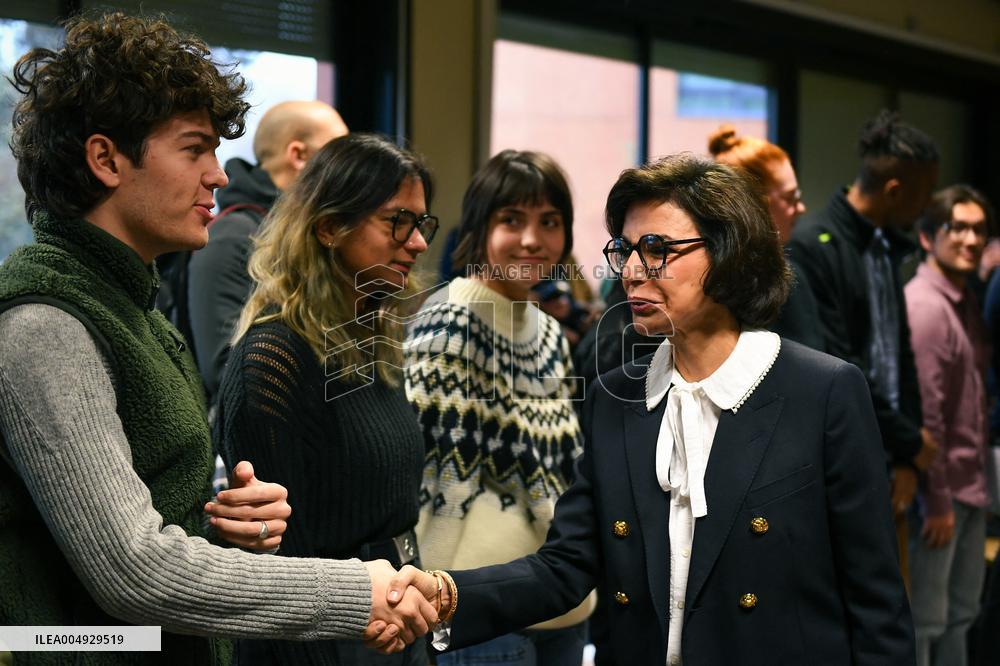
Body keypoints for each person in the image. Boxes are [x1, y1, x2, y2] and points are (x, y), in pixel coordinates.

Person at [0, 12, 432, 664]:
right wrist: (351, 590)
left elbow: (137, 530)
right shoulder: (45, 329)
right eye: (193, 148)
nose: (219, 174)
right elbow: (132, 573)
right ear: (105, 159)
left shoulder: (137, 318)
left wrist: (222, 523)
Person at [388, 154, 914, 665]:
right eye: (627, 249)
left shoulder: (821, 392)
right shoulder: (615, 398)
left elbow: (876, 602)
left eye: (658, 248)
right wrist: (445, 592)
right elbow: (568, 564)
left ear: (727, 252)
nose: (633, 272)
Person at [215, 132, 438, 665]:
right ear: (330, 227)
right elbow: (276, 566)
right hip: (329, 638)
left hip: (393, 619)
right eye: (397, 222)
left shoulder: (369, 341)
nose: (418, 242)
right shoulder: (275, 357)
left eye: (421, 223)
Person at [403, 149, 592, 665]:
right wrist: (434, 599)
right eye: (513, 220)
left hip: (560, 597)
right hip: (478, 609)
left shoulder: (550, 331)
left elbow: (566, 468)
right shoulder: (448, 321)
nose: (532, 239)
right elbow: (434, 476)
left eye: (549, 222)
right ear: (481, 227)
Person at [788, 110, 940, 569]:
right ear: (895, 191)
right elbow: (837, 360)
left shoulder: (885, 243)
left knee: (893, 606)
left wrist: (909, 454)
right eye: (925, 192)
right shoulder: (813, 244)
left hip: (888, 452)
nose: (928, 203)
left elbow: (900, 351)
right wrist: (908, 440)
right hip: (837, 451)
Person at [188, 100, 348, 404]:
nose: (349, 168)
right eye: (338, 153)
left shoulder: (312, 235)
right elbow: (224, 370)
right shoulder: (231, 237)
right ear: (298, 155)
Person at [905, 185, 993, 666]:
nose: (970, 238)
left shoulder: (963, 302)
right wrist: (935, 500)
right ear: (928, 237)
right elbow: (927, 417)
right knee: (926, 624)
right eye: (957, 227)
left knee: (960, 617)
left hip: (969, 488)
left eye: (979, 229)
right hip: (940, 497)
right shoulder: (926, 306)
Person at [708, 125, 822, 350]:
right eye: (790, 198)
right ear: (755, 204)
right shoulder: (779, 276)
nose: (800, 208)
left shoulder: (706, 274)